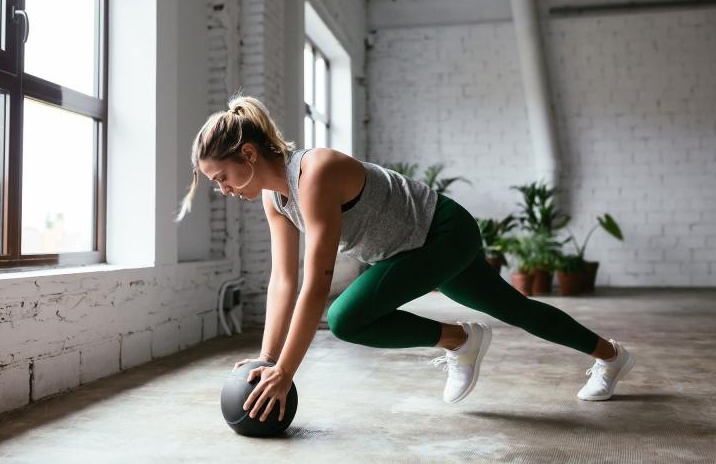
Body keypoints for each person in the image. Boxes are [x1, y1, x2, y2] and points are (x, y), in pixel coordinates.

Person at [177, 95, 635, 424]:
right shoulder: (275, 200)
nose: (224, 189)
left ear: (249, 155)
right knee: (515, 308)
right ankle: (612, 356)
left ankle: (460, 341)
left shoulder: (315, 172)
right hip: (402, 250)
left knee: (345, 317)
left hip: (442, 232)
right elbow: (283, 280)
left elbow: (315, 281)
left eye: (222, 177)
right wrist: (265, 357)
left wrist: (285, 372)